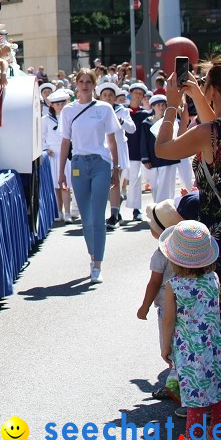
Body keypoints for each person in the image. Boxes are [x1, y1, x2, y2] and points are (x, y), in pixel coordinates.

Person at [154, 55, 221, 353]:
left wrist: (173, 104)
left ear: (213, 92)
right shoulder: (215, 131)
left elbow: (162, 149)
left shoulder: (208, 134)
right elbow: (218, 125)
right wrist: (199, 95)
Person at [158, 221, 221, 440]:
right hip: (215, 344)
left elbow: (168, 320)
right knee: (219, 389)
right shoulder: (213, 279)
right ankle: (215, 438)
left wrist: (164, 346)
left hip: (189, 347)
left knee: (194, 393)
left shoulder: (174, 286)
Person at [57, 68, 121, 284]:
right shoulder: (67, 111)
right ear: (76, 84)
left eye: (88, 81)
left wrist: (116, 167)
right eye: (81, 81)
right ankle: (92, 255)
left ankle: (98, 264)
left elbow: (112, 140)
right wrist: (60, 174)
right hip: (78, 165)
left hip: (100, 163)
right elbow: (65, 142)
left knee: (97, 217)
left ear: (94, 85)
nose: (85, 85)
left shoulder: (104, 109)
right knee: (86, 219)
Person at [138, 198, 184, 405]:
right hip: (188, 303)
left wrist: (144, 306)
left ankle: (174, 385)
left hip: (167, 305)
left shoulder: (160, 254)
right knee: (183, 342)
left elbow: (154, 283)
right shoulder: (186, 250)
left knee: (168, 343)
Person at [99, 81, 136, 230]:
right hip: (102, 148)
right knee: (102, 182)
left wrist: (121, 121)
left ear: (115, 98)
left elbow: (132, 129)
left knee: (115, 180)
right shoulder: (97, 111)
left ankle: (114, 214)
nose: (108, 98)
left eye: (110, 96)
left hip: (118, 146)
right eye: (105, 95)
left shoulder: (122, 111)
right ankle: (107, 211)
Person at [42, 89, 74, 223]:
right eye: (57, 104)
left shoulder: (70, 117)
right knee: (55, 186)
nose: (60, 106)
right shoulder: (46, 119)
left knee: (65, 185)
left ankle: (68, 213)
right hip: (52, 154)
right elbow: (41, 136)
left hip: (66, 154)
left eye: (62, 103)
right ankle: (58, 212)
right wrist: (46, 148)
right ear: (52, 105)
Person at [141, 93, 179, 205]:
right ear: (152, 106)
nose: (161, 107)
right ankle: (157, 209)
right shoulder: (146, 123)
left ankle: (166, 209)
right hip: (153, 158)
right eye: (158, 105)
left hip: (168, 158)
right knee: (155, 186)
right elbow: (143, 142)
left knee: (168, 186)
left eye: (163, 105)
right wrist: (145, 159)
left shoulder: (170, 121)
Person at [124, 81, 153, 221]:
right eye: (135, 93)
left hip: (136, 152)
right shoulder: (122, 111)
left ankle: (136, 209)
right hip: (121, 151)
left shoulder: (144, 114)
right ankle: (115, 211)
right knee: (118, 180)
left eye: (140, 94)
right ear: (130, 94)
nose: (137, 96)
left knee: (135, 181)